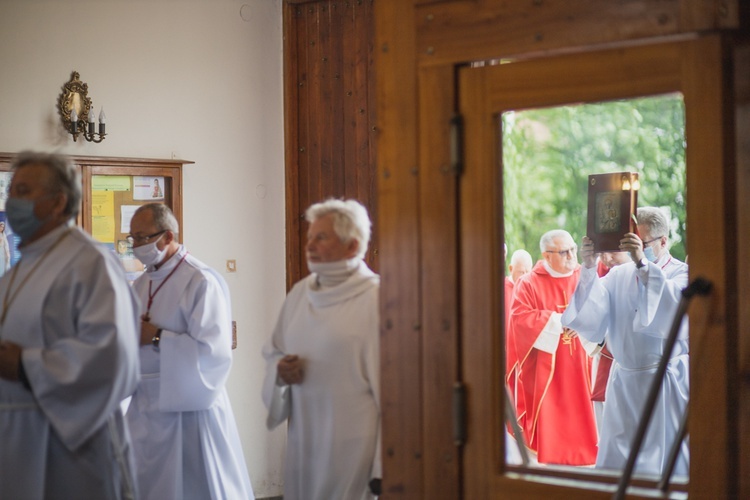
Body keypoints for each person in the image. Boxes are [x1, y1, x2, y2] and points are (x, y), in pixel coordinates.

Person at [0, 151, 141, 498]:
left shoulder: (89, 261)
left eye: (22, 191)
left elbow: (112, 360)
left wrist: (25, 365)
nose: (10, 201)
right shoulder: (19, 268)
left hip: (72, 449)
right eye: (10, 191)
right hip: (18, 438)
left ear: (57, 202)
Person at [125, 203, 254, 499]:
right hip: (146, 406)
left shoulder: (201, 281)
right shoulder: (142, 283)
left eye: (142, 238)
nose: (136, 247)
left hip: (188, 407)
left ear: (168, 237)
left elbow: (212, 354)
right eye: (132, 238)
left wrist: (156, 337)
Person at [262, 198, 381, 499]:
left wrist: (383, 466)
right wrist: (280, 372)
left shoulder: (377, 299)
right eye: (309, 236)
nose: (309, 245)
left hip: (354, 442)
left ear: (352, 246)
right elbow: (274, 351)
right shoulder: (300, 293)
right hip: (306, 435)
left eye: (321, 237)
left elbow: (393, 392)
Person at [562, 206, 689, 476]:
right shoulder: (618, 275)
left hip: (663, 385)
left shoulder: (682, 273)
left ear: (663, 241)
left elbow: (671, 314)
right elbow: (592, 316)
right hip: (624, 385)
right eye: (629, 243)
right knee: (618, 467)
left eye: (640, 244)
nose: (634, 250)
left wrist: (643, 264)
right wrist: (587, 267)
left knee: (666, 467)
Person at [507, 229, 598, 466]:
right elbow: (520, 319)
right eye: (564, 252)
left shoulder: (584, 276)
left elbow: (602, 306)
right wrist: (559, 321)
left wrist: (585, 320)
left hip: (582, 362)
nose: (571, 256)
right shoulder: (528, 283)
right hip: (547, 370)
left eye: (573, 249)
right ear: (546, 256)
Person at [590, 251, 631, 430]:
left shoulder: (647, 269)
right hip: (608, 354)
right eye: (601, 253)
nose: (606, 259)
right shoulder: (598, 272)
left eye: (612, 252)